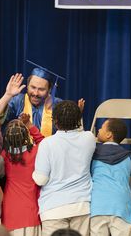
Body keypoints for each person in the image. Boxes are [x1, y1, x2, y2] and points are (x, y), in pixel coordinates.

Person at [33, 100, 95, 236]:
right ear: (78, 119)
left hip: (53, 208)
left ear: (54, 121)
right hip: (82, 205)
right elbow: (79, 132)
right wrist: (77, 115)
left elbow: (40, 180)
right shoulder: (89, 138)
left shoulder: (47, 144)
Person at [0, 69, 84, 137]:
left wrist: (74, 117)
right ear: (27, 86)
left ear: (49, 90)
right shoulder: (18, 100)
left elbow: (69, 132)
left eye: (41, 89)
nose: (35, 93)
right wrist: (7, 95)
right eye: (33, 87)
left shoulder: (58, 105)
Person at [90, 118, 131, 236]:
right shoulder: (129, 158)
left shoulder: (92, 154)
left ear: (109, 134)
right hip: (122, 207)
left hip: (97, 207)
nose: (99, 129)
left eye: (102, 127)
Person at [1, 114, 44, 235]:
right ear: (26, 136)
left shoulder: (4, 155)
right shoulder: (35, 152)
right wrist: (29, 125)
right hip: (30, 209)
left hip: (10, 210)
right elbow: (44, 142)